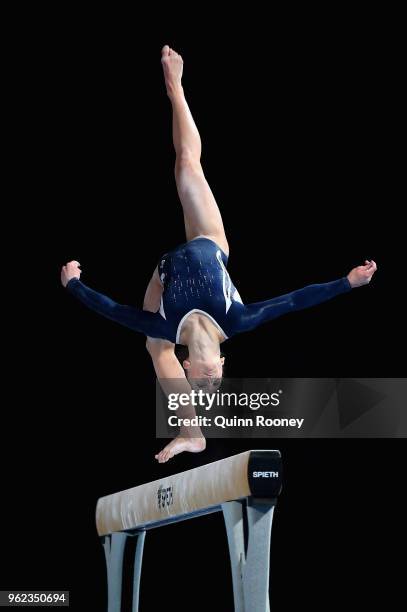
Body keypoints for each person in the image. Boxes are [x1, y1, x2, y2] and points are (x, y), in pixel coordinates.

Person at [61, 45, 377, 462]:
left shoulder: (167, 327)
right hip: (210, 241)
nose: (210, 380)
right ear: (224, 363)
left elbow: (113, 310)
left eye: (201, 383)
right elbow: (296, 300)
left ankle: (189, 430)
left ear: (188, 370)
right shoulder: (237, 318)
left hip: (163, 275)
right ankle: (176, 88)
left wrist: (73, 284)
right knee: (188, 166)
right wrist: (347, 283)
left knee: (154, 344)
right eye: (218, 380)